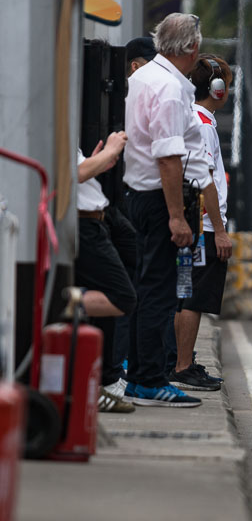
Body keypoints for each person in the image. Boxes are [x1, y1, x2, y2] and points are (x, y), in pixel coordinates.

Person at [123, 13, 214, 407]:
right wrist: (177, 216)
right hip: (160, 200)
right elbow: (169, 157)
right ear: (192, 48)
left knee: (145, 289)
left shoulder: (142, 77)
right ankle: (147, 380)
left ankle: (139, 374)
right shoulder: (170, 89)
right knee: (159, 292)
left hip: (135, 195)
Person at [170, 54, 235, 391]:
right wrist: (220, 231)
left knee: (184, 294)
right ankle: (182, 366)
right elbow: (205, 179)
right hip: (205, 227)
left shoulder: (190, 117)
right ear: (218, 89)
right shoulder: (204, 124)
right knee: (194, 298)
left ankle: (180, 360)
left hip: (195, 223)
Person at [75, 134, 137, 413]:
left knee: (107, 308)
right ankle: (59, 302)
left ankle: (99, 384)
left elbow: (80, 170)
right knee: (122, 297)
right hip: (84, 224)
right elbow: (74, 174)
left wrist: (99, 161)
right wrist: (108, 151)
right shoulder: (42, 124)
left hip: (94, 222)